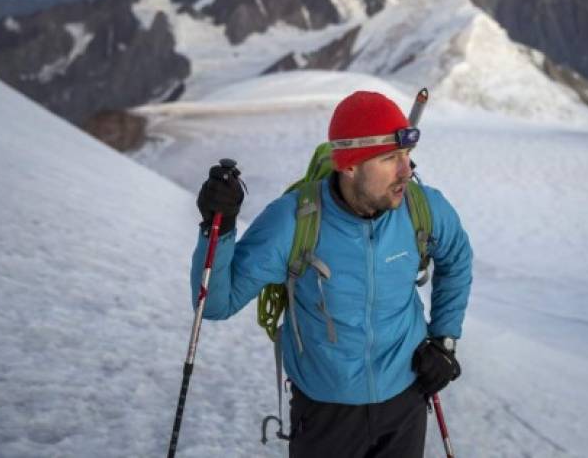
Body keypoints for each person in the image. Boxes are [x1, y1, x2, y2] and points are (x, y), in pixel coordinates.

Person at [192, 90, 473, 458]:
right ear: (350, 165)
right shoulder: (294, 221)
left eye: (406, 156)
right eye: (390, 158)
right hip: (326, 415)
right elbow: (215, 303)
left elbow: (457, 259)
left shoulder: (423, 208)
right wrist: (220, 227)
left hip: (405, 401)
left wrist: (444, 341)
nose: (407, 171)